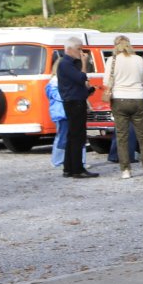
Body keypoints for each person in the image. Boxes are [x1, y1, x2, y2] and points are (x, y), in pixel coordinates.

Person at [103, 36, 143, 179]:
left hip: (119, 99)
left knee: (122, 136)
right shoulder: (138, 59)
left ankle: (126, 170)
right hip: (138, 98)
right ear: (129, 45)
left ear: (115, 45)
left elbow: (106, 81)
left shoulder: (112, 60)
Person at [56, 38, 96, 179]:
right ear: (69, 49)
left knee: (72, 136)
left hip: (74, 101)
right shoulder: (65, 64)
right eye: (79, 49)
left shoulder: (69, 64)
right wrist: (84, 63)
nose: (81, 52)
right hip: (74, 102)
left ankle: (68, 168)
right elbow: (81, 78)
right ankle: (77, 169)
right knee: (78, 136)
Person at [45, 73, 67, 169]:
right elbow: (59, 96)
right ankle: (57, 161)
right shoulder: (53, 84)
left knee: (64, 137)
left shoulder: (54, 83)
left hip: (64, 113)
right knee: (62, 137)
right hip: (61, 114)